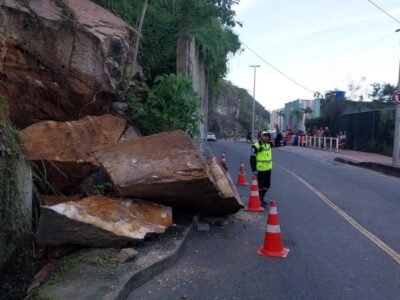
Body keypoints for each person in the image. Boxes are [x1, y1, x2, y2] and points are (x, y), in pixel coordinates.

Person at [250, 131, 272, 207]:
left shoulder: (268, 144)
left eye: (268, 136)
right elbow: (252, 159)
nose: (267, 137)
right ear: (261, 136)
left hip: (268, 169)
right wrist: (254, 170)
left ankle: (261, 198)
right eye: (265, 135)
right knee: (260, 186)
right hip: (260, 169)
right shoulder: (256, 146)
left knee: (267, 185)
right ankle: (259, 200)